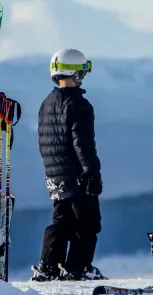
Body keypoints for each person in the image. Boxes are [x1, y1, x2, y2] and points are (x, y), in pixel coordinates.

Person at [32, 48, 106, 281]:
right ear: (74, 73)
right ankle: (77, 267)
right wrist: (91, 173)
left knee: (61, 220)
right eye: (82, 72)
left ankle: (49, 266)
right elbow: (83, 144)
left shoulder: (47, 102)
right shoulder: (79, 105)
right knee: (88, 222)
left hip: (55, 174)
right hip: (76, 174)